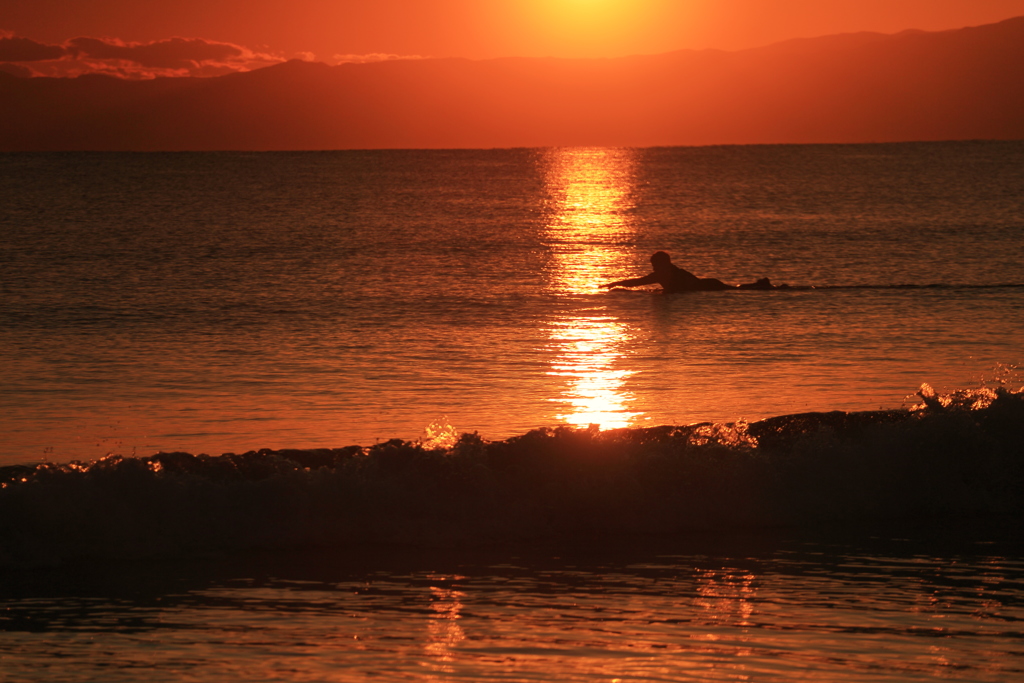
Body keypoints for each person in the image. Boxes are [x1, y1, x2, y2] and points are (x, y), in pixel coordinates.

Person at [602, 251, 775, 293]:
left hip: (706, 286)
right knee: (735, 289)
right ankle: (760, 285)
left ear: (662, 264)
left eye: (655, 264)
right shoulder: (672, 270)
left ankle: (761, 285)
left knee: (735, 290)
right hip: (708, 283)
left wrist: (614, 284)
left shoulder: (663, 273)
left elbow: (636, 282)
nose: (653, 267)